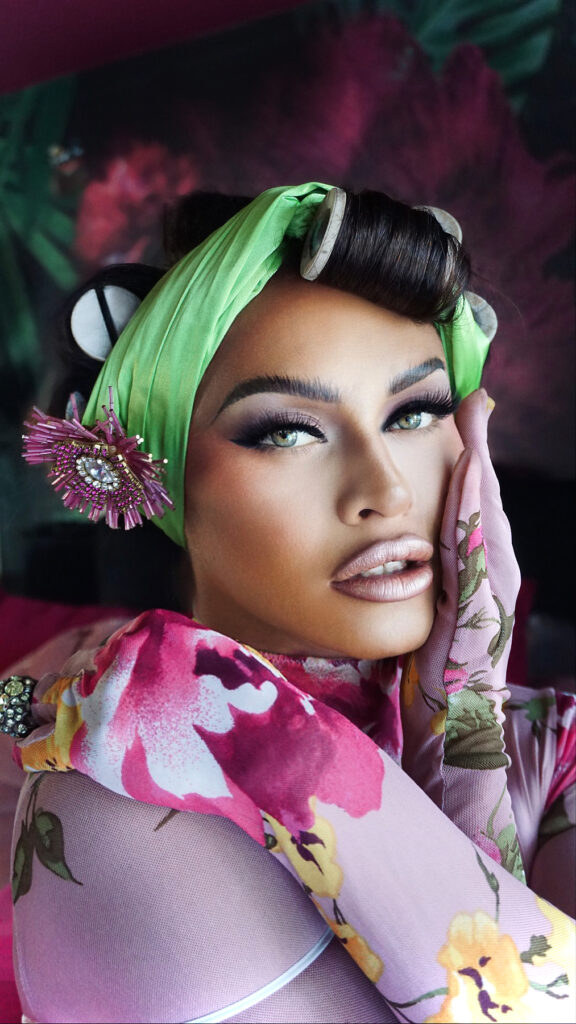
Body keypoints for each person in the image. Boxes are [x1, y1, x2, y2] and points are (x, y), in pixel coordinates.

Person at [1, 183, 574, 1023]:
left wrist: (464, 724)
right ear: (158, 480)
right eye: (285, 432)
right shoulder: (112, 794)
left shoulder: (547, 738)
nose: (383, 490)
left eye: (415, 411)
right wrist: (232, 719)